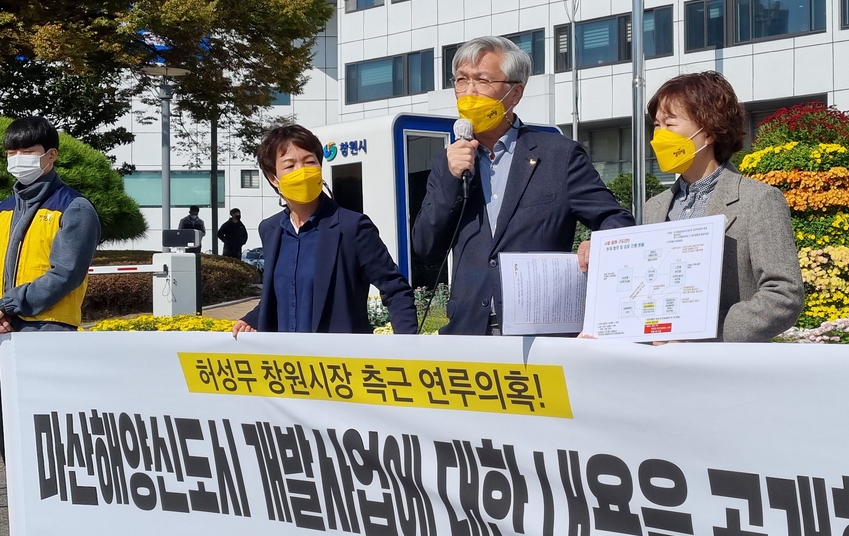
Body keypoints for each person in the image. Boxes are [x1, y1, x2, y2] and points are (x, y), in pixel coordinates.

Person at [412, 36, 635, 335]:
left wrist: (599, 244)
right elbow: (425, 246)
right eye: (462, 80)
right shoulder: (448, 162)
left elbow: (616, 219)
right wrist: (452, 180)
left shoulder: (559, 156)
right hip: (468, 333)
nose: (469, 92)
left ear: (515, 93)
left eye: (482, 80)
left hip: (539, 334)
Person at [0, 116, 101, 536]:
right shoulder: (6, 207)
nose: (18, 160)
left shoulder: (74, 208)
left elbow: (65, 275)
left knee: (47, 451)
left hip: (48, 336)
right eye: (11, 152)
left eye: (28, 151)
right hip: (8, 334)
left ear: (51, 155)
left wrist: (10, 306)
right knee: (14, 449)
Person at [640, 72, 803, 342]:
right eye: (657, 125)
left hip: (726, 367)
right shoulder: (654, 208)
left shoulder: (758, 199)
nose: (659, 136)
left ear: (708, 132)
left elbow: (783, 293)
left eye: (670, 124)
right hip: (660, 369)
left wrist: (708, 333)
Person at [232, 124, 417, 338]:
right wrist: (252, 319)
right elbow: (283, 294)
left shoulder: (352, 227)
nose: (301, 172)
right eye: (289, 165)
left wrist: (406, 346)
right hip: (284, 363)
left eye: (309, 162)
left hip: (338, 363)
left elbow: (396, 290)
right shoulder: (271, 229)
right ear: (274, 178)